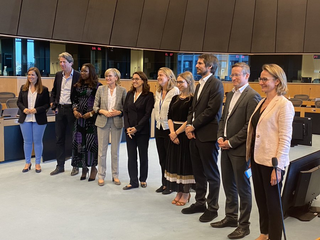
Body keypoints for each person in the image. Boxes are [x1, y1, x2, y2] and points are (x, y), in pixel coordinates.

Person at [211, 62, 261, 239]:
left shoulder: (252, 96)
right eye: (232, 75)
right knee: (228, 184)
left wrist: (231, 142)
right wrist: (220, 136)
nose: (233, 78)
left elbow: (249, 126)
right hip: (224, 147)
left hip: (239, 149)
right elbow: (223, 118)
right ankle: (231, 217)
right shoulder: (231, 93)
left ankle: (244, 225)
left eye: (237, 75)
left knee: (243, 188)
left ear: (247, 76)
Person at [246, 64, 294, 240]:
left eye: (265, 79)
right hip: (257, 159)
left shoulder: (284, 105)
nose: (261, 82)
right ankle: (264, 233)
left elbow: (285, 138)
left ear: (277, 81)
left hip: (272, 163)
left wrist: (278, 167)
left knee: (273, 204)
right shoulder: (262, 102)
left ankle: (274, 237)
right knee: (261, 200)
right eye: (260, 78)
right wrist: (251, 156)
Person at [182, 54, 224, 223]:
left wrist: (194, 126)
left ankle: (212, 208)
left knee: (211, 173)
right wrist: (189, 126)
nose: (197, 65)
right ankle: (200, 202)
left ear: (210, 67)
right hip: (195, 134)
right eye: (198, 63)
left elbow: (211, 110)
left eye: (200, 63)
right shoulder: (199, 84)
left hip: (208, 135)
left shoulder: (216, 84)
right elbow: (193, 108)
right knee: (198, 172)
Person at [165, 71, 196, 205]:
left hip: (184, 134)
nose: (178, 84)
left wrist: (177, 133)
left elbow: (189, 119)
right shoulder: (175, 97)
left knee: (185, 164)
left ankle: (186, 193)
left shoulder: (193, 99)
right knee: (175, 163)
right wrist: (172, 133)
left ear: (188, 83)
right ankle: (178, 191)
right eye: (177, 82)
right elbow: (170, 116)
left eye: (181, 82)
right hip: (173, 134)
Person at [93, 68, 127, 186]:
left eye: (110, 76)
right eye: (106, 76)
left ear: (116, 78)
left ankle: (115, 175)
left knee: (115, 151)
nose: (108, 78)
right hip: (103, 121)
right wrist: (103, 111)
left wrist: (118, 112)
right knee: (102, 151)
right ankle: (101, 175)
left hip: (117, 121)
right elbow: (95, 107)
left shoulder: (122, 90)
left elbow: (125, 108)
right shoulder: (100, 89)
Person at [122, 71, 154, 190]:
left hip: (142, 130)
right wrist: (128, 128)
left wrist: (136, 128)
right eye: (133, 79)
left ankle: (143, 179)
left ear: (143, 81)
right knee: (131, 156)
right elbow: (125, 111)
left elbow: (147, 115)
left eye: (137, 79)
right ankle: (133, 181)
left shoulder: (149, 95)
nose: (134, 81)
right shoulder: (130, 94)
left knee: (143, 155)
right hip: (129, 131)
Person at [50, 52, 81, 176]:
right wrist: (53, 103)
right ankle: (60, 165)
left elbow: (80, 94)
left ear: (71, 63)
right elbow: (54, 91)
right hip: (60, 110)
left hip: (72, 110)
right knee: (59, 139)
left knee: (75, 139)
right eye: (60, 62)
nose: (62, 64)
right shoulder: (58, 75)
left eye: (64, 62)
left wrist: (77, 108)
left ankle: (76, 166)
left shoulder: (78, 76)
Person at [71, 63, 102, 181]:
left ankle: (93, 167)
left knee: (91, 144)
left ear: (91, 72)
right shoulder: (77, 86)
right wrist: (74, 110)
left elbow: (99, 104)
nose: (82, 73)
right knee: (79, 144)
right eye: (82, 71)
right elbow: (74, 100)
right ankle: (83, 167)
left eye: (85, 71)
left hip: (91, 120)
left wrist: (91, 113)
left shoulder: (98, 86)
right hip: (79, 120)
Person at [17, 67, 50, 173]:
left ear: (37, 76)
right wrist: (24, 109)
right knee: (27, 141)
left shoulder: (43, 89)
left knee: (37, 141)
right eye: (29, 74)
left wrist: (36, 110)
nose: (30, 76)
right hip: (25, 118)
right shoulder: (23, 88)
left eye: (33, 75)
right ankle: (27, 163)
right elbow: (19, 102)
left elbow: (46, 105)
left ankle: (37, 163)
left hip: (38, 119)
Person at [154, 67, 179, 194]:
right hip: (159, 127)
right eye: (158, 75)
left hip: (170, 129)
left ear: (169, 77)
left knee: (170, 158)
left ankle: (171, 184)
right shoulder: (158, 91)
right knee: (162, 158)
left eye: (161, 75)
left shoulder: (175, 91)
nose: (159, 77)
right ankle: (164, 183)